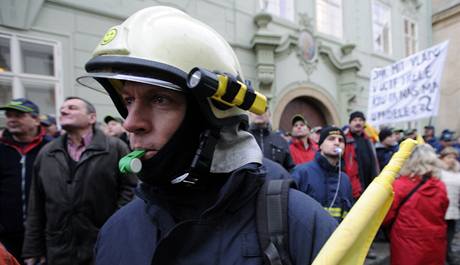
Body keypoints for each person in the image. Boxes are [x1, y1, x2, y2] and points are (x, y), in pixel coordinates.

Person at [76, 6, 337, 265]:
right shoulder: (115, 233)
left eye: (159, 99)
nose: (131, 123)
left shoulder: (301, 225)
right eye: (129, 100)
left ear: (213, 114)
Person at [22, 97, 137, 265]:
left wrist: (112, 226)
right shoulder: (47, 153)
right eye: (62, 109)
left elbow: (131, 189)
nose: (64, 111)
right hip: (59, 248)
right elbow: (36, 204)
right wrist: (32, 248)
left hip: (102, 244)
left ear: (91, 118)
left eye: (72, 108)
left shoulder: (115, 148)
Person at [0, 98, 52, 261]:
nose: (12, 119)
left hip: (44, 236)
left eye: (19, 115)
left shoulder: (52, 149)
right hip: (5, 236)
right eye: (9, 115)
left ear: (36, 119)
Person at [383, 144, 448, 265]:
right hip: (435, 241)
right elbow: (443, 210)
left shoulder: (399, 185)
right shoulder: (440, 186)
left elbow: (387, 216)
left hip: (407, 244)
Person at [291, 126, 353, 222]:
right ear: (320, 146)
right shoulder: (302, 172)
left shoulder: (345, 179)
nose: (337, 143)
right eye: (331, 139)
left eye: (341, 140)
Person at [344, 111, 379, 199]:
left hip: (369, 183)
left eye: (360, 120)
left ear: (364, 123)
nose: (358, 123)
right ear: (350, 123)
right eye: (355, 120)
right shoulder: (344, 140)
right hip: (353, 186)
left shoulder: (369, 140)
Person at [439, 147, 460, 264]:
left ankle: (448, 254)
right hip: (440, 208)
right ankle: (444, 255)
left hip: (453, 208)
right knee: (440, 235)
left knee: (450, 235)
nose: (451, 160)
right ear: (442, 158)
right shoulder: (437, 171)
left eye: (453, 157)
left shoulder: (457, 171)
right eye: (448, 157)